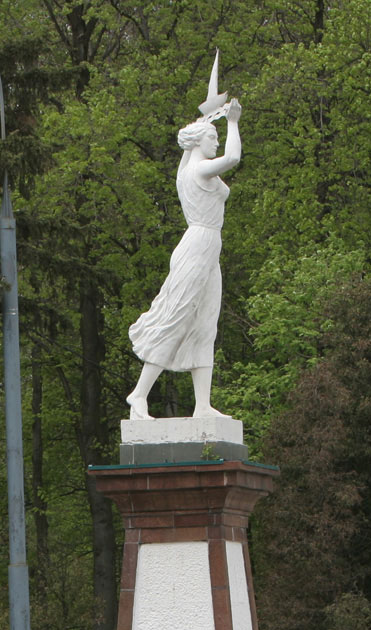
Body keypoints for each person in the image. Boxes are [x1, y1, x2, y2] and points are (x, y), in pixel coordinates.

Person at [125, 97, 242, 420]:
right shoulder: (198, 170)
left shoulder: (186, 167)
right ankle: (139, 394)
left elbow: (201, 144)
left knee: (205, 324)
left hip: (209, 247)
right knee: (174, 318)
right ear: (196, 142)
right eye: (210, 137)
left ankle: (202, 406)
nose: (215, 140)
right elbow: (232, 156)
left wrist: (206, 119)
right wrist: (231, 121)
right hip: (197, 245)